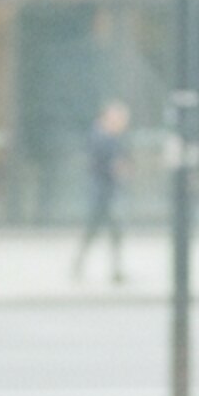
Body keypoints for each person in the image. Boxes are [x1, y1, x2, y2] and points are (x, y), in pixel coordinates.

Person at [73, 99, 132, 285]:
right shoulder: (99, 136)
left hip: (109, 191)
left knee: (113, 232)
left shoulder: (113, 137)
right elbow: (99, 163)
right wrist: (116, 168)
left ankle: (114, 269)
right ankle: (80, 264)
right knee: (95, 230)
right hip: (101, 192)